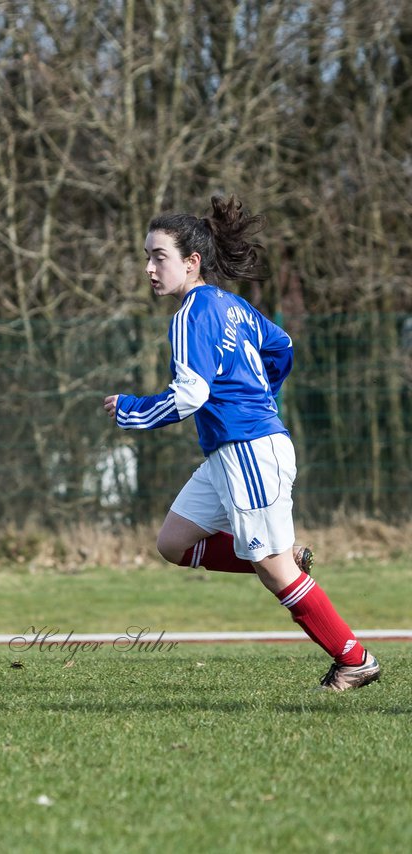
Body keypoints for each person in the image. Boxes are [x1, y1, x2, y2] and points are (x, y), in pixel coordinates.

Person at [104, 196, 380, 691]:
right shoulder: (232, 306)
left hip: (249, 450)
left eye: (158, 256)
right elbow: (283, 347)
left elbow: (191, 395)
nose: (148, 268)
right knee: (173, 543)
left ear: (191, 262)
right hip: (233, 451)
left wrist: (132, 410)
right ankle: (280, 555)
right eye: (146, 256)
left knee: (274, 571)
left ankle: (354, 659)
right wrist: (262, 394)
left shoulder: (191, 315)